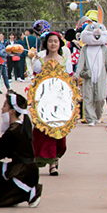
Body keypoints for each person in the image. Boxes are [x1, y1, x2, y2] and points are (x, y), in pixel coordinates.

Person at [29, 32, 73, 175]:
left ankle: (54, 163)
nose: (53, 44)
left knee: (58, 132)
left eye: (56, 41)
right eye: (50, 41)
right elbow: (35, 82)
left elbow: (69, 82)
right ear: (46, 44)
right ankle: (45, 160)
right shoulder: (39, 62)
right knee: (42, 132)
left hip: (60, 103)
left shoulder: (66, 61)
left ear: (60, 44)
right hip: (44, 102)